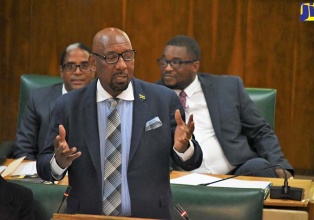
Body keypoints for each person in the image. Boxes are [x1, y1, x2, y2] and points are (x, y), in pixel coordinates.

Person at [36, 28, 202, 219]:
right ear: (93, 63)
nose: (122, 65)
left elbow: (193, 161)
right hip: (86, 216)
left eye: (128, 56)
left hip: (150, 216)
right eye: (112, 57)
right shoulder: (68, 105)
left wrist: (183, 148)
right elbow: (44, 168)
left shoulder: (163, 100)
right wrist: (58, 162)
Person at [156, 35, 293, 178]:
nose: (167, 68)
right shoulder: (153, 96)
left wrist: (280, 165)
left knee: (261, 167)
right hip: (180, 174)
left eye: (176, 62)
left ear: (195, 66)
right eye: (164, 62)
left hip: (234, 172)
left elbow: (260, 131)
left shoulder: (228, 88)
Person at [13, 43, 95, 160]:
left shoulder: (104, 100)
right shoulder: (38, 99)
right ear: (61, 71)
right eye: (70, 66)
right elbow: (24, 149)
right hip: (47, 173)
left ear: (94, 69)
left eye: (84, 65)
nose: (77, 72)